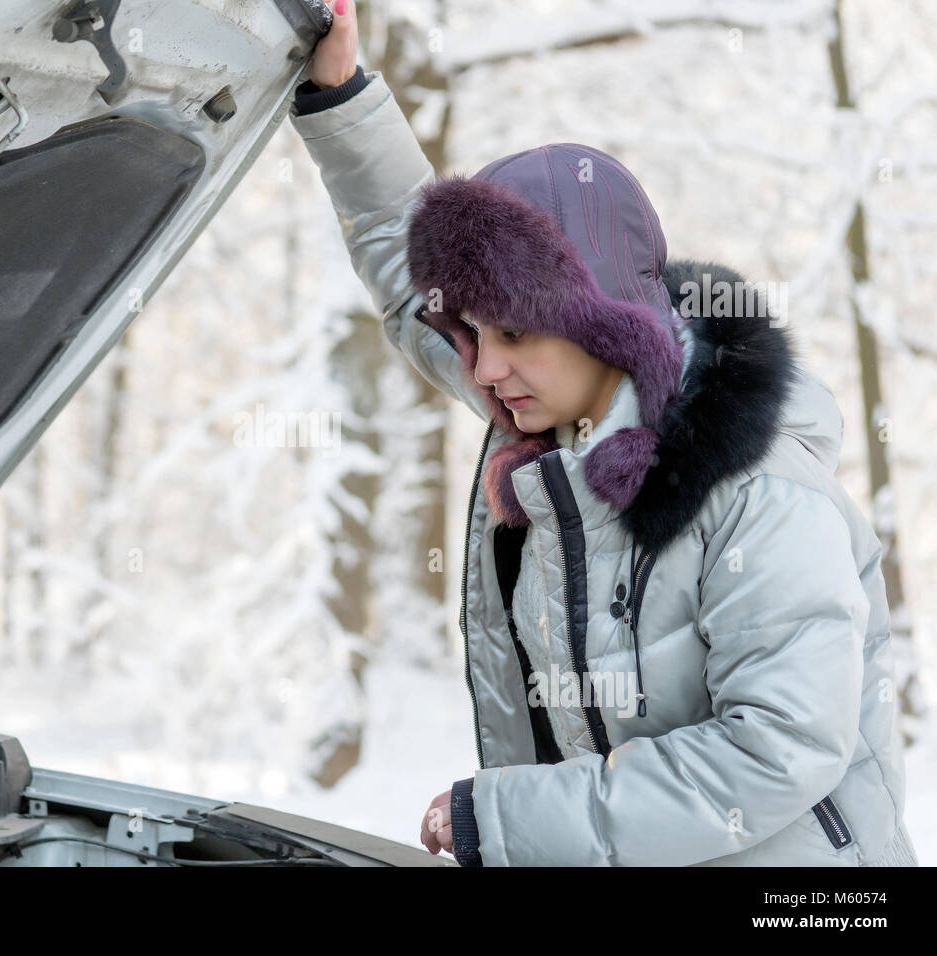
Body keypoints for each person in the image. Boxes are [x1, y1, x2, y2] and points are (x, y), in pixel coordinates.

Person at [289, 0, 917, 866]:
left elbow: (778, 749)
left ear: (604, 325)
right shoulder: (552, 416)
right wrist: (342, 95)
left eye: (511, 334)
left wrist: (510, 820)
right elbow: (411, 279)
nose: (481, 369)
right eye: (475, 333)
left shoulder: (761, 491)